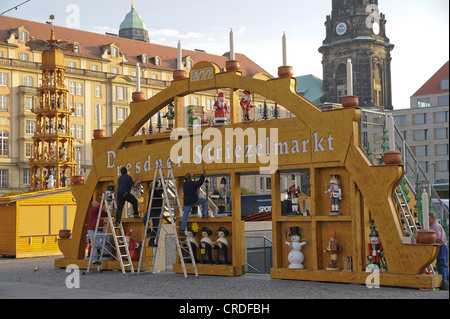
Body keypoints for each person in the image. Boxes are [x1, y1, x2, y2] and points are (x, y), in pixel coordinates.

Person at [143, 179, 164, 247]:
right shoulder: (152, 191)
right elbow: (156, 188)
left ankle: (151, 241)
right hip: (151, 209)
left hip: (157, 211)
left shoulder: (159, 192)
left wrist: (161, 181)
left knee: (155, 227)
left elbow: (162, 189)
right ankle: (148, 231)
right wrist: (159, 182)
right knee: (145, 219)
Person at [87, 201, 108, 265]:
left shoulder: (99, 211)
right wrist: (104, 201)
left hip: (99, 229)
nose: (98, 204)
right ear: (93, 205)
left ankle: (99, 249)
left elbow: (105, 215)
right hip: (93, 230)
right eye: (96, 203)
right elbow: (98, 207)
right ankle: (94, 260)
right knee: (95, 245)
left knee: (107, 239)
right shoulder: (93, 210)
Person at [429, 213, 449, 281]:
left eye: (429, 219)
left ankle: (444, 280)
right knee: (444, 264)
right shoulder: (436, 225)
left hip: (441, 246)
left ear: (433, 219)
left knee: (441, 263)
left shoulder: (435, 226)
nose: (428, 221)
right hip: (444, 246)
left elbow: (437, 237)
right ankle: (446, 280)